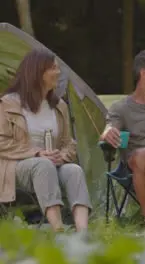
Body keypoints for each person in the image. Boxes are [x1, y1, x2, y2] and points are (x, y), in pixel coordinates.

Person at [0, 49, 91, 232]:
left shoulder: (59, 106)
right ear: (37, 72)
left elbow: (68, 142)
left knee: (74, 170)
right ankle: (58, 230)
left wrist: (61, 156)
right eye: (53, 68)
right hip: (16, 167)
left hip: (50, 165)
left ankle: (83, 233)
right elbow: (2, 142)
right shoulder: (8, 104)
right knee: (43, 165)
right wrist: (37, 153)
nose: (58, 72)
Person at [100, 49, 145, 230]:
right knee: (144, 155)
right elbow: (110, 127)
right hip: (134, 169)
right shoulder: (121, 108)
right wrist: (108, 133)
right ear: (144, 73)